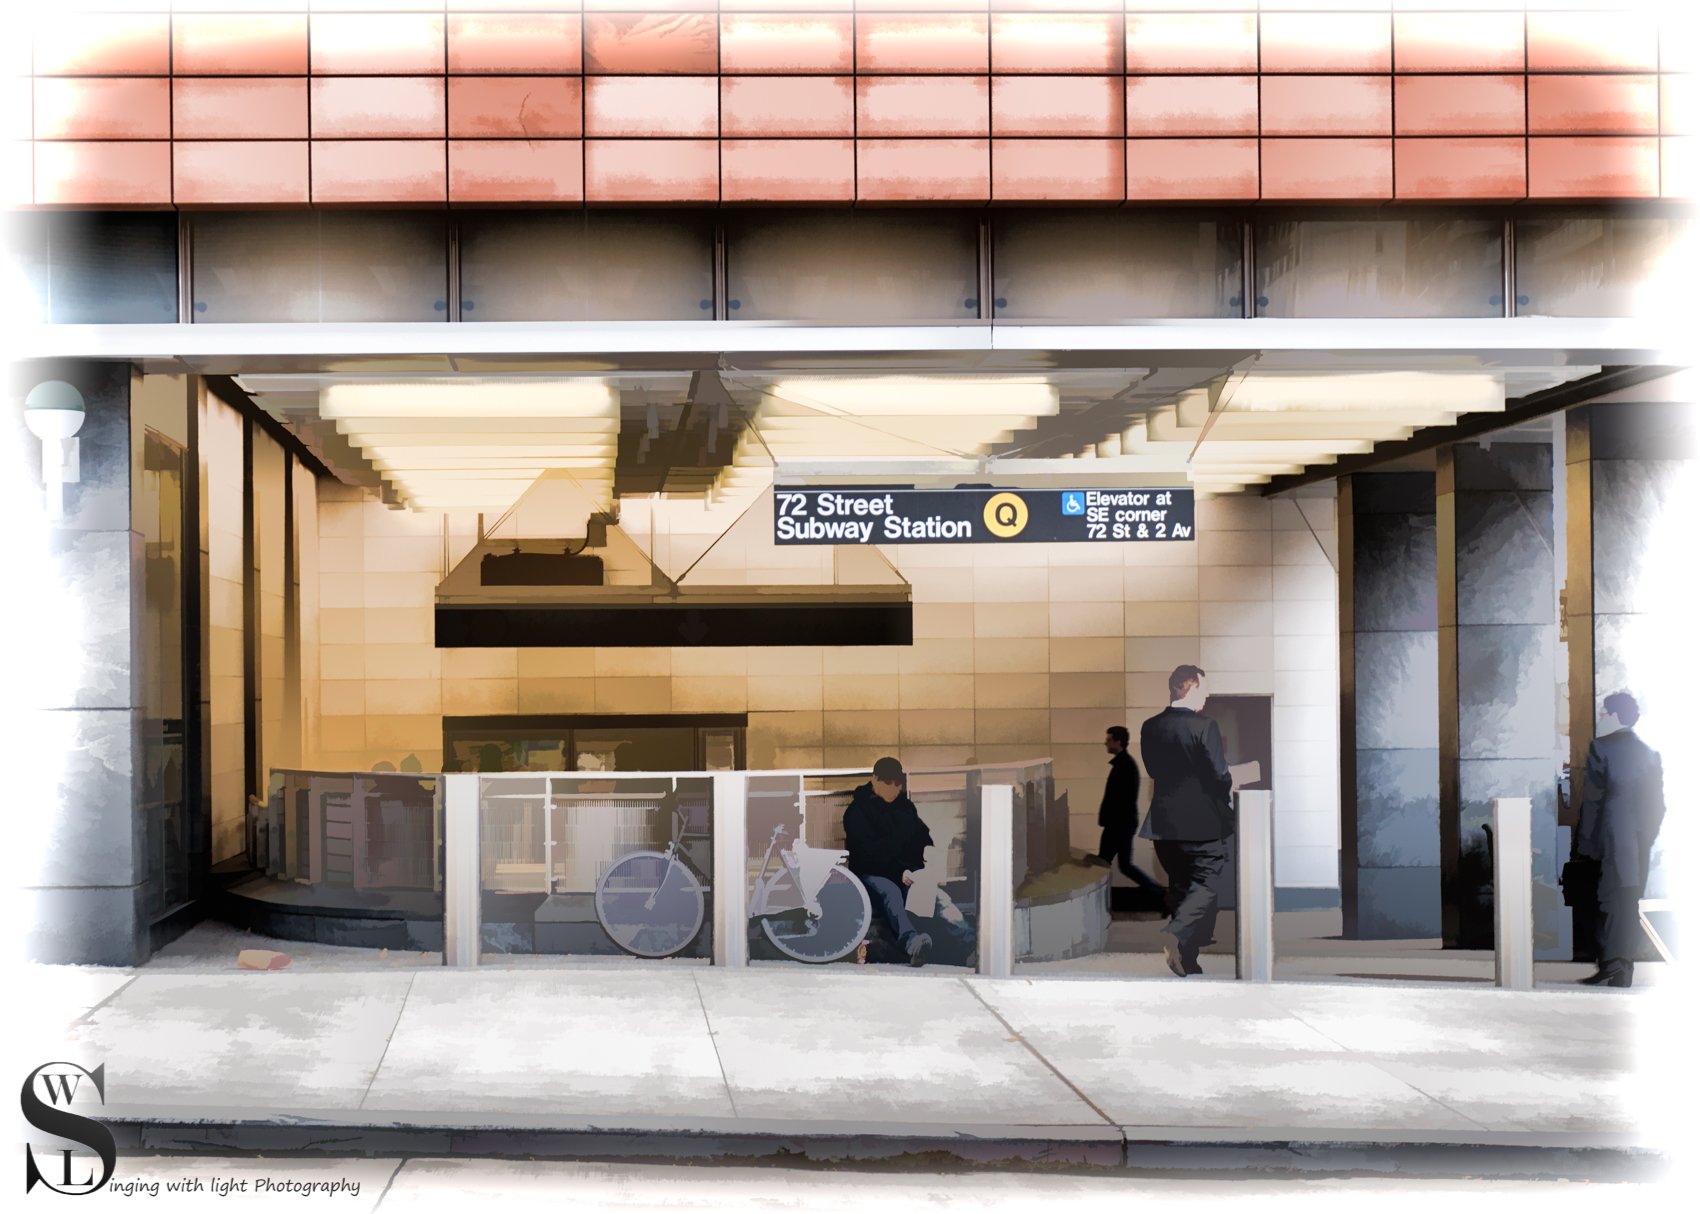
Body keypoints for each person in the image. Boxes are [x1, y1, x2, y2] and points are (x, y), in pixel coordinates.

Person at [1139, 665, 1234, 978]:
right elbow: (1219, 775)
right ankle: (1175, 933)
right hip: (1203, 824)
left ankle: (1187, 960)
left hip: (1165, 825)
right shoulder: (1204, 726)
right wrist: (1227, 787)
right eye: (1203, 690)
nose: (1206, 696)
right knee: (1208, 881)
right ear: (1188, 688)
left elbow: (1153, 770)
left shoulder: (1150, 727)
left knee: (1182, 888)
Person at [1575, 692, 1666, 988]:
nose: (1601, 717)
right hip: (1638, 842)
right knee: (1627, 901)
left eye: (1604, 712)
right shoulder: (1649, 753)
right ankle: (1621, 966)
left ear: (1614, 715)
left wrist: (1585, 844)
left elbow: (1593, 800)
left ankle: (1613, 965)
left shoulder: (1601, 748)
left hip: (1610, 837)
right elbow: (1658, 805)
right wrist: (1646, 837)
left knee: (1605, 900)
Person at [843, 757, 936, 966]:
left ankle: (967, 945)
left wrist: (914, 869)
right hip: (869, 875)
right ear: (874, 779)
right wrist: (899, 871)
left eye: (897, 784)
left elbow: (922, 840)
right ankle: (911, 942)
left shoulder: (906, 809)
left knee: (937, 897)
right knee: (891, 890)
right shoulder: (857, 812)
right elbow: (866, 855)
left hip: (904, 873)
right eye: (887, 783)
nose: (892, 789)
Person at [1088, 726, 1164, 897]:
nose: (1106, 743)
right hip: (1122, 823)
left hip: (1118, 824)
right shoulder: (1125, 764)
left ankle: (1157, 892)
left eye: (1109, 739)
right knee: (1123, 865)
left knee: (1104, 863)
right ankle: (1157, 892)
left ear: (1118, 742)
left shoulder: (1123, 766)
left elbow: (1118, 799)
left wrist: (1109, 820)